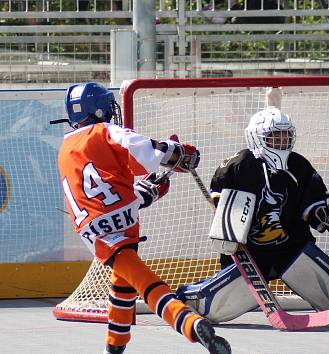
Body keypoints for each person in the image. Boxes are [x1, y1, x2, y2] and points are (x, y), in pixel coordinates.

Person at [55, 82, 231, 354]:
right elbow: (143, 148)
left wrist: (145, 193)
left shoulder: (66, 148)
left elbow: (102, 192)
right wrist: (178, 153)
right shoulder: (105, 130)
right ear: (99, 109)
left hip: (93, 229)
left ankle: (114, 347)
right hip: (121, 223)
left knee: (123, 282)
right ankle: (190, 323)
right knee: (144, 282)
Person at [176, 105, 329, 325]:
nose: (282, 142)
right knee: (208, 312)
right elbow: (222, 204)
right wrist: (227, 223)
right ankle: (187, 297)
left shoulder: (299, 165)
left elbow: (314, 202)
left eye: (286, 136)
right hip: (250, 253)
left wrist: (323, 216)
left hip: (292, 248)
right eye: (275, 137)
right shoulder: (238, 164)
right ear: (256, 137)